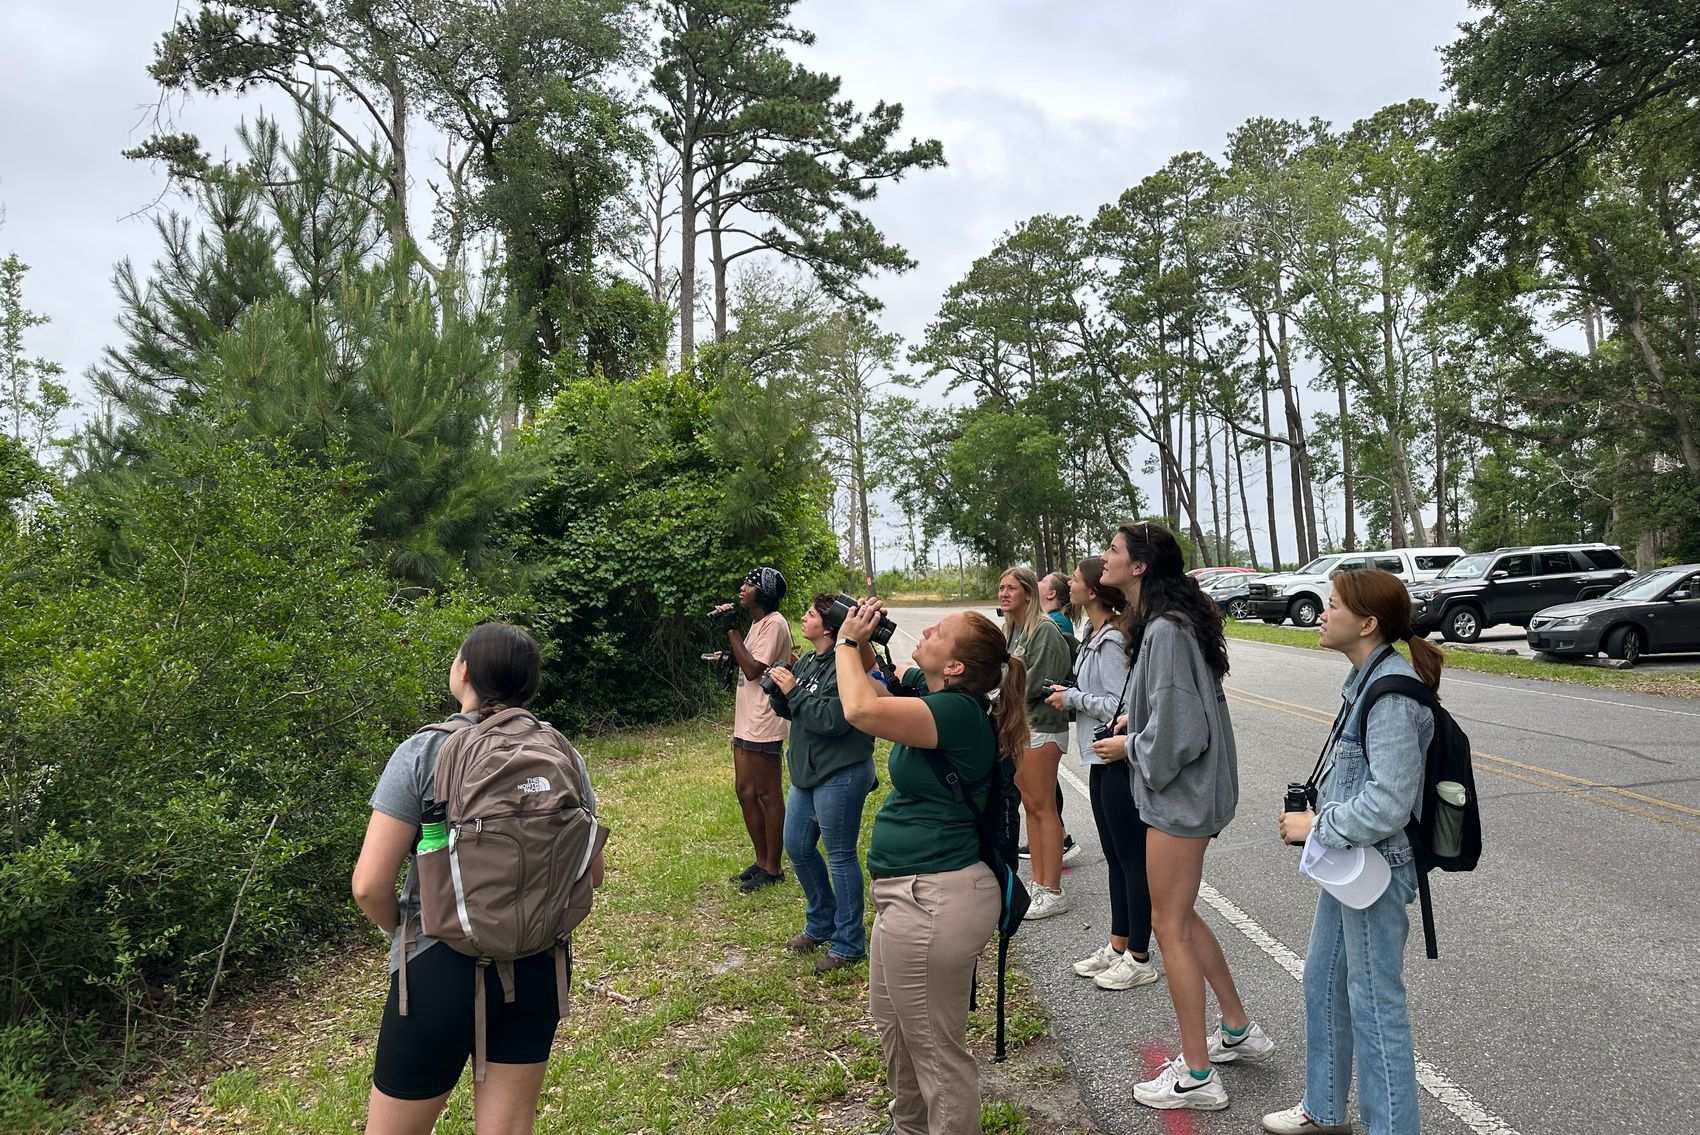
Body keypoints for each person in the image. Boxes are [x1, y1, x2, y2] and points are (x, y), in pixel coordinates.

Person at [353, 623, 603, 1135]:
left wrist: (399, 929)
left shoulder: (423, 752)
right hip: (537, 963)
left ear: (463, 671)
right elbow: (590, 874)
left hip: (438, 963)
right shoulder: (562, 754)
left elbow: (369, 885)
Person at [1093, 522, 1271, 1113]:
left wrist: (1131, 747)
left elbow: (1180, 733)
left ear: (1140, 566)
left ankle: (1196, 1072)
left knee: (1166, 925)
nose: (1104, 558)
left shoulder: (1165, 631)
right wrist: (1134, 722)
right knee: (1182, 915)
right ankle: (1237, 1027)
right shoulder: (1167, 623)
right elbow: (1172, 708)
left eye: (1114, 551)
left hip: (1181, 796)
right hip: (1190, 793)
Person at [834, 597, 1029, 1135]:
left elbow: (860, 710)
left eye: (937, 631)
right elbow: (879, 687)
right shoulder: (935, 697)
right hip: (911, 894)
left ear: (957, 666)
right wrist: (858, 643)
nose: (925, 632)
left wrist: (847, 643)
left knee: (937, 1054)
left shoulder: (958, 713)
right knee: (896, 1029)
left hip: (934, 897)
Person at [1265, 570, 1440, 1135]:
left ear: (1366, 623)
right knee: (1323, 980)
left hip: (1377, 869)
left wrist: (1320, 824)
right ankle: (1323, 1106)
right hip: (1353, 867)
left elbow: (1389, 803)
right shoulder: (1366, 681)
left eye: (1333, 605)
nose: (1322, 612)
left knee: (1374, 1004)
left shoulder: (1390, 694)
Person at [1045, 557, 1156, 992]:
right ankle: (1117, 943)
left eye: (1074, 578)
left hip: (1118, 757)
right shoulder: (1092, 635)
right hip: (1099, 756)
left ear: (1091, 591)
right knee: (1113, 854)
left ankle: (1140, 955)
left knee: (1131, 859)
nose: (1068, 583)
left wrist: (1073, 698)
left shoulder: (1111, 641)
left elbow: (1119, 706)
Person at [768, 593, 879, 974]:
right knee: (797, 846)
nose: (803, 616)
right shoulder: (811, 661)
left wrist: (794, 692)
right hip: (807, 772)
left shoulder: (845, 664)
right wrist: (781, 692)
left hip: (841, 770)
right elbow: (798, 711)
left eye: (811, 614)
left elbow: (833, 719)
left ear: (829, 626)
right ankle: (822, 923)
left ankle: (849, 944)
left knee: (840, 855)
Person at [999, 566, 1074, 919]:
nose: (1004, 593)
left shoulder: (1044, 631)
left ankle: (1053, 889)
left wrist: (997, 697)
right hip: (1021, 728)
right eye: (1001, 587)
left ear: (1029, 593)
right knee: (1030, 806)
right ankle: (1039, 883)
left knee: (1044, 807)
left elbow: (1038, 683)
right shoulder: (1012, 631)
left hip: (1043, 727)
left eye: (1011, 587)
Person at [714, 567, 794, 894]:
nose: (742, 588)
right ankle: (761, 862)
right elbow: (748, 660)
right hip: (747, 717)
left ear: (763, 592)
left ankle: (773, 867)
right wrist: (727, 653)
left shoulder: (775, 624)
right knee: (745, 791)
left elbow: (752, 670)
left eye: (749, 584)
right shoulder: (759, 624)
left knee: (767, 794)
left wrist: (731, 629)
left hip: (764, 719)